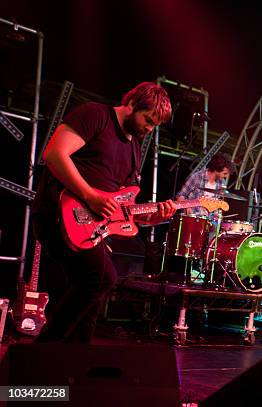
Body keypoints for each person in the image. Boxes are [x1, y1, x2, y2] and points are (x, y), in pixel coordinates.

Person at [31, 82, 175, 343]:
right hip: (58, 212)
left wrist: (152, 216)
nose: (149, 129)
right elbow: (54, 154)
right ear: (131, 104)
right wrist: (89, 195)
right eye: (147, 120)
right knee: (100, 277)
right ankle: (41, 353)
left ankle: (73, 368)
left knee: (92, 296)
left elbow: (121, 208)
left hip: (90, 227)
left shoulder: (134, 147)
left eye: (155, 125)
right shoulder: (95, 115)